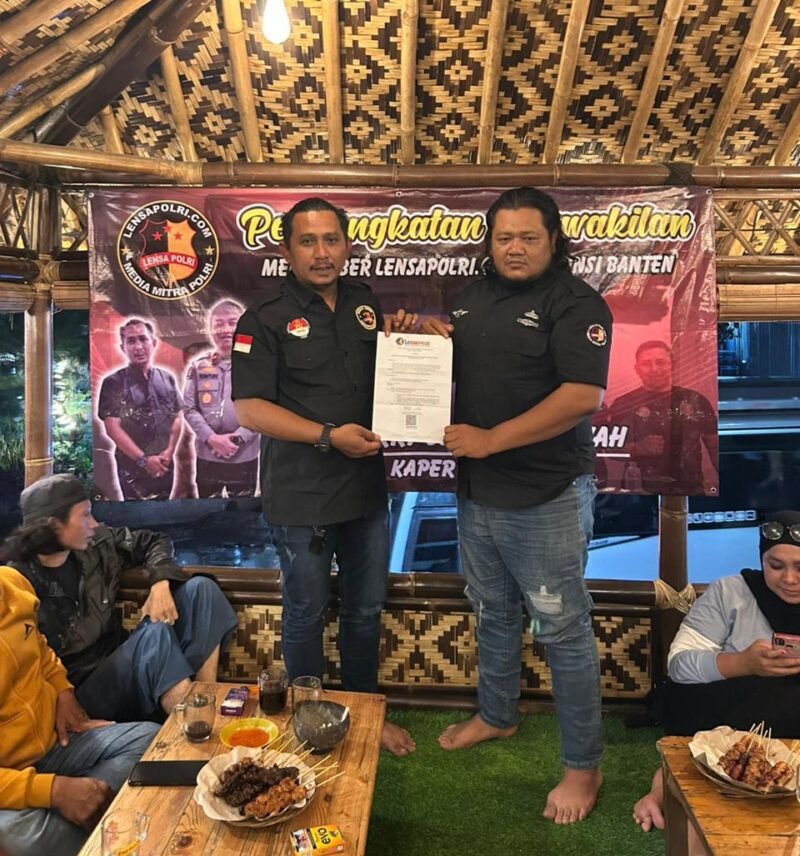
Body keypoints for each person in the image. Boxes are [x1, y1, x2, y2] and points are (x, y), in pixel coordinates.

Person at [421, 187, 612, 824]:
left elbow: (581, 396)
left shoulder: (576, 303)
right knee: (493, 613)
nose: (515, 248)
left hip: (545, 496)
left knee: (562, 630)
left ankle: (583, 766)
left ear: (553, 240)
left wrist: (491, 440)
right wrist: (424, 345)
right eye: (504, 237)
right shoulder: (471, 298)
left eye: (529, 237)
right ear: (490, 242)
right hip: (478, 493)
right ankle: (498, 715)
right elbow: (465, 370)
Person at [231, 196, 416, 757]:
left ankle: (365, 714)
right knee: (306, 613)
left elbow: (385, 374)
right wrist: (327, 435)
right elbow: (250, 410)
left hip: (365, 490)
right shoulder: (262, 318)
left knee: (365, 609)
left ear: (347, 245)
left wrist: (408, 340)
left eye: (331, 239)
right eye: (307, 241)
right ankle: (310, 719)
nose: (321, 252)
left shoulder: (363, 303)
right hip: (302, 496)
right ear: (287, 250)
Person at [3, 473, 238, 722]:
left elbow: (154, 541)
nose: (94, 523)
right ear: (54, 526)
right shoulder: (15, 584)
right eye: (85, 515)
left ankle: (204, 699)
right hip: (80, 693)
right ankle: (196, 726)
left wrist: (160, 582)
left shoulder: (98, 545)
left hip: (121, 663)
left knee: (201, 590)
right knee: (155, 636)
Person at [633, 510, 800, 840]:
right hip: (730, 717)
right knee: (707, 692)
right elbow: (679, 666)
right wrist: (742, 664)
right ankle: (667, 784)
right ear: (761, 560)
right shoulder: (731, 592)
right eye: (776, 566)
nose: (790, 579)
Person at [0, 563, 160, 856]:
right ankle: (108, 824)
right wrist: (53, 790)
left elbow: (42, 649)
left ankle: (86, 820)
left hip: (57, 745)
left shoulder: (11, 583)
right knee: (19, 839)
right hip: (7, 778)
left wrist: (63, 691)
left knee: (150, 741)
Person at [606, 340, 717, 494]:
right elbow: (610, 450)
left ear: (673, 364)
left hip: (689, 489)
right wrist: (638, 448)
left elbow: (714, 447)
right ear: (637, 369)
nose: (654, 369)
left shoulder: (695, 400)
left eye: (661, 362)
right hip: (639, 490)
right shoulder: (624, 403)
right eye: (646, 364)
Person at [97, 318, 183, 500]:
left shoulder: (167, 378)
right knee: (136, 514)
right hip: (132, 469)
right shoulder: (113, 382)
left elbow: (177, 417)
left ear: (153, 343)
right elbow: (112, 427)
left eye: (143, 339)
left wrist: (169, 451)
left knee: (166, 511)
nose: (138, 346)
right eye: (131, 341)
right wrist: (144, 461)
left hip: (165, 463)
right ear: (123, 347)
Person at [184, 299, 260, 498]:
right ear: (210, 329)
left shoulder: (257, 365)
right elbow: (189, 408)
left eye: (232, 322)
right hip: (207, 455)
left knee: (244, 511)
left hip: (244, 455)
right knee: (207, 511)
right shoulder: (199, 366)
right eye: (219, 323)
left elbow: (264, 408)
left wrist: (236, 440)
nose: (225, 329)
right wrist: (212, 439)